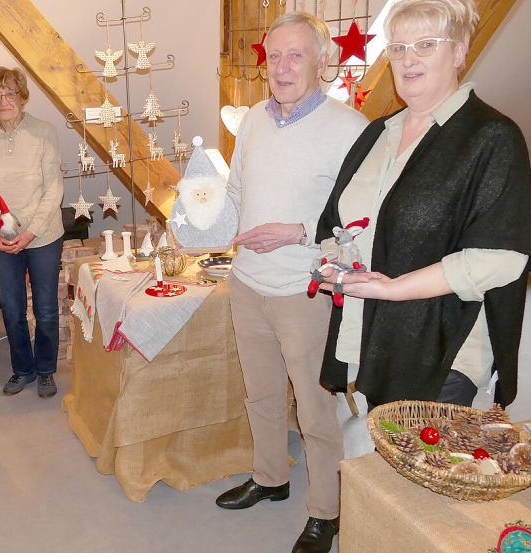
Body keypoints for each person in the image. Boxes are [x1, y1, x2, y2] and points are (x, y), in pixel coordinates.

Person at [316, 0, 531, 411]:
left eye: (426, 44)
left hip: (443, 345)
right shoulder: (377, 134)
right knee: (381, 459)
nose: (408, 59)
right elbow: (336, 221)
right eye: (398, 48)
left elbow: (504, 257)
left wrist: (396, 289)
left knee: (422, 465)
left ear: (458, 52)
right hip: (374, 330)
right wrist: (335, 260)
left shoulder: (491, 136)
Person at [219, 13, 368, 553]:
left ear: (322, 61)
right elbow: (234, 193)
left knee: (314, 407)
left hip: (305, 291)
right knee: (260, 394)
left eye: (295, 55)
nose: (281, 68)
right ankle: (270, 478)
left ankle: (325, 510)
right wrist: (201, 219)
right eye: (273, 56)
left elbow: (362, 218)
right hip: (246, 283)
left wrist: (299, 231)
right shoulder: (254, 119)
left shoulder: (350, 129)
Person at [0, 67, 64, 398]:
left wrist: (33, 232)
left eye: (9, 93)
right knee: (11, 309)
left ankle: (46, 371)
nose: (3, 101)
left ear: (22, 97)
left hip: (44, 236)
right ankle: (22, 369)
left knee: (45, 308)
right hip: (4, 238)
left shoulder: (44, 132)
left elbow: (54, 188)